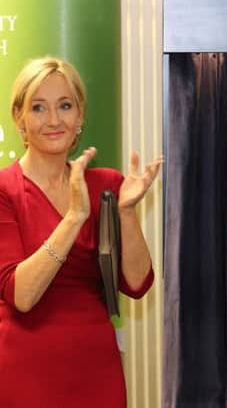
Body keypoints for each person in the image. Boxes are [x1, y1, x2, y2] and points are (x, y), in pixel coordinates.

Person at [0, 57, 162, 407]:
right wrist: (74, 216)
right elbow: (22, 295)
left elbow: (138, 284)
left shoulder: (107, 184)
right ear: (20, 119)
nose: (54, 120)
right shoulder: (4, 190)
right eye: (38, 107)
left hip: (95, 368)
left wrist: (127, 211)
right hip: (24, 371)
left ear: (80, 116)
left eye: (65, 106)